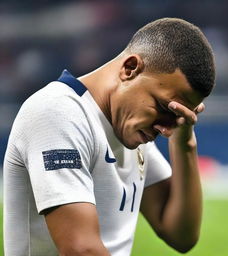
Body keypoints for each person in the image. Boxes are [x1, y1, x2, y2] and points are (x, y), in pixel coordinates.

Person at [3, 17, 215, 256]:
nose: (165, 128)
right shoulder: (57, 113)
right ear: (130, 68)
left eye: (178, 116)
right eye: (166, 109)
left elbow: (181, 236)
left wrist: (184, 140)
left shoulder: (132, 127)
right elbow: (81, 250)